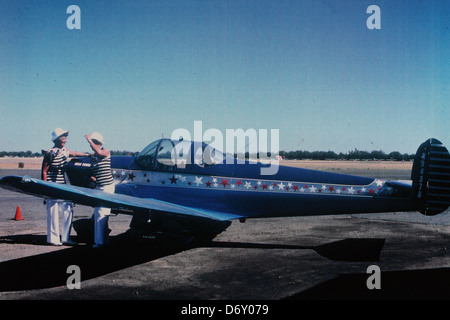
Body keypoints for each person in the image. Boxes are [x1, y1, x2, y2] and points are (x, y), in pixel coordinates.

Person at [41, 128, 88, 246]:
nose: (65, 140)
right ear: (56, 139)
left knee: (68, 209)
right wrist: (45, 189)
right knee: (53, 213)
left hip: (63, 185)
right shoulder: (50, 153)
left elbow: (74, 153)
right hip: (52, 186)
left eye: (65, 137)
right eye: (62, 137)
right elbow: (44, 171)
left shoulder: (63, 150)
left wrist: (88, 154)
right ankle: (53, 239)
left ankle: (66, 238)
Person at [85, 132, 115, 248]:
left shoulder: (105, 151)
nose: (93, 144)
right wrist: (93, 177)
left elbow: (99, 152)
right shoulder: (93, 156)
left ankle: (100, 242)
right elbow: (93, 170)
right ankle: (102, 240)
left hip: (107, 187)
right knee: (99, 213)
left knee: (103, 213)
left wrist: (89, 140)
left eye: (95, 142)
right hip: (98, 186)